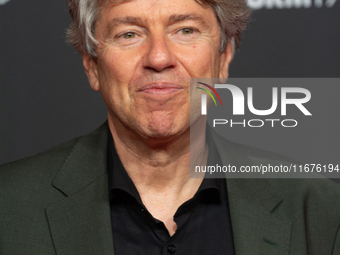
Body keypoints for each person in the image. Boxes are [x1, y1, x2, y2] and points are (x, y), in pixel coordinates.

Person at [1, 0, 339, 254]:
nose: (159, 58)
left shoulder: (318, 207)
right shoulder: (9, 207)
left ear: (223, 57)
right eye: (129, 34)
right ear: (91, 66)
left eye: (185, 30)